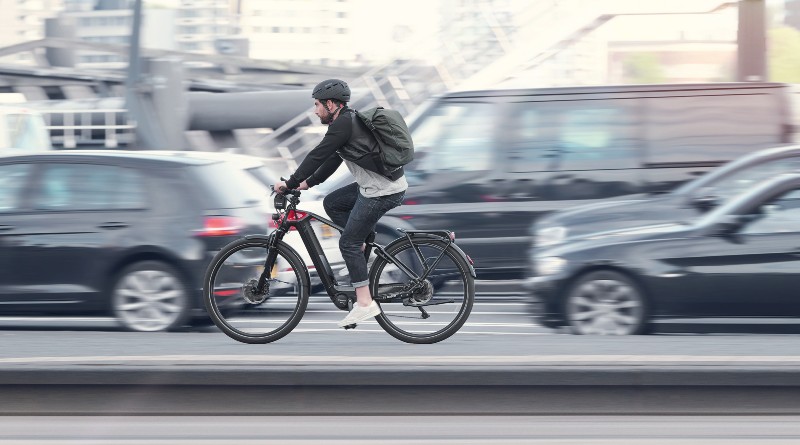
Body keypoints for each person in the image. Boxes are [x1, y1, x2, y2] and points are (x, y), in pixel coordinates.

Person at [274, 79, 408, 327]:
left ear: (331, 104)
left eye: (317, 105)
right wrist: (307, 184)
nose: (315, 111)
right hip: (378, 187)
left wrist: (290, 183)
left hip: (382, 190)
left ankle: (365, 303)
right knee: (333, 203)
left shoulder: (344, 124)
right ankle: (361, 243)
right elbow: (331, 160)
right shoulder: (346, 123)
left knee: (348, 242)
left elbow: (317, 154)